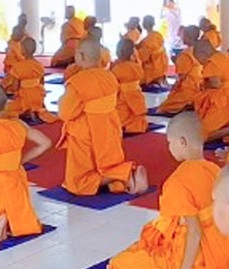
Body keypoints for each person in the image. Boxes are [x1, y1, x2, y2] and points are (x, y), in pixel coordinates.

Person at [106, 113, 229, 269]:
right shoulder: (215, 170)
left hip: (195, 259)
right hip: (224, 250)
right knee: (141, 248)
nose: (169, 147)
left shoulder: (178, 181)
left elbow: (194, 231)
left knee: (118, 264)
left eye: (170, 142)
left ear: (182, 142)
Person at [59, 40, 147, 198]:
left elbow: (66, 113)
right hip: (110, 128)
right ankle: (122, 176)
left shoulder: (78, 82)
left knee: (77, 183)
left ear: (82, 56)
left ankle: (123, 174)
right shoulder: (110, 77)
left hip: (85, 135)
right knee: (108, 163)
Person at [0, 87, 50, 240]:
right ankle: (9, 221)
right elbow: (45, 143)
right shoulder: (18, 125)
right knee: (19, 211)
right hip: (16, 180)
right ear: (6, 105)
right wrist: (20, 161)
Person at [193, 40, 229, 141]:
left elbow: (216, 84)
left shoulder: (212, 63)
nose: (200, 64)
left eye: (199, 60)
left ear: (203, 53)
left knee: (199, 135)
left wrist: (204, 85)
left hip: (223, 103)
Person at [154, 28, 203, 116]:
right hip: (200, 87)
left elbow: (182, 76)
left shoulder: (186, 54)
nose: (182, 38)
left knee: (162, 109)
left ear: (188, 37)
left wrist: (174, 88)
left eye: (184, 35)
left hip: (189, 88)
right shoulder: (202, 51)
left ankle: (187, 104)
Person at [3, 36, 48, 121]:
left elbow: (15, 87)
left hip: (24, 98)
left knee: (7, 108)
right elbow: (42, 83)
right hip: (38, 98)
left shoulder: (18, 66)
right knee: (35, 103)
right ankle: (35, 109)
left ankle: (26, 112)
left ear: (22, 50)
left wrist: (12, 92)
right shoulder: (40, 65)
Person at [112, 38, 149, 132]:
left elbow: (113, 84)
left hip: (121, 98)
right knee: (135, 114)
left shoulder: (116, 69)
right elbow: (141, 78)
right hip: (136, 96)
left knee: (120, 113)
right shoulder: (136, 67)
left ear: (118, 52)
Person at [137, 15, 170, 87]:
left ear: (143, 25)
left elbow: (142, 57)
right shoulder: (158, 35)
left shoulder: (147, 41)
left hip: (152, 71)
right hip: (163, 66)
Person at [48, 5, 84, 69]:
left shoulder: (65, 25)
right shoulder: (81, 22)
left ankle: (69, 60)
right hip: (81, 46)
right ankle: (73, 59)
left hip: (69, 46)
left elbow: (63, 39)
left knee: (54, 61)